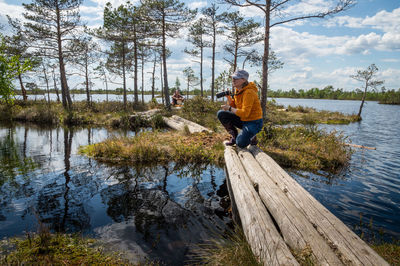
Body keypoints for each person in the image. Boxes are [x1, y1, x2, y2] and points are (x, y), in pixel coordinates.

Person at [217, 69, 263, 148]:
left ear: (244, 79)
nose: (233, 79)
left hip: (253, 123)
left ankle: (252, 136)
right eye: (233, 77)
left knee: (240, 143)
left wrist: (229, 108)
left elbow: (245, 113)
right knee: (221, 114)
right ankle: (234, 136)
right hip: (243, 120)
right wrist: (228, 98)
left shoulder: (249, 92)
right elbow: (236, 108)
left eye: (236, 78)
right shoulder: (238, 90)